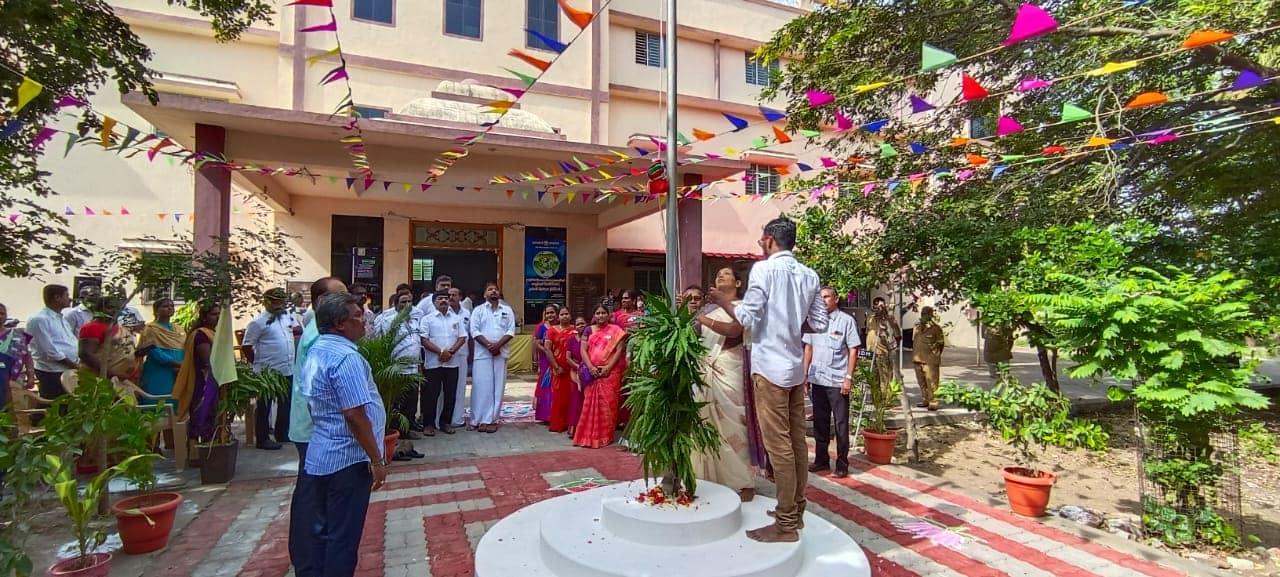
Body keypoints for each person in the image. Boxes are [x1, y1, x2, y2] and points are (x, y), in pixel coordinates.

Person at [707, 217, 826, 543]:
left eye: (762, 239)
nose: (760, 243)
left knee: (780, 448)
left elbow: (746, 317)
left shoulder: (763, 270)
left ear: (770, 239)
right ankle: (795, 511)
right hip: (794, 369)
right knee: (797, 443)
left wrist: (722, 302)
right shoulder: (809, 274)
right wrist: (788, 323)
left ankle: (786, 524)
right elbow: (819, 323)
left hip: (770, 369)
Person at [289, 293, 386, 577]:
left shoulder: (317, 350)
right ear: (340, 323)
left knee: (323, 531)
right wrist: (377, 460)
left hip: (322, 453)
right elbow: (354, 414)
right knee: (343, 537)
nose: (364, 321)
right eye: (357, 316)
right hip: (347, 460)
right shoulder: (346, 358)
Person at [692, 269, 768, 501]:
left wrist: (701, 318)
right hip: (707, 371)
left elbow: (735, 330)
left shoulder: (743, 307)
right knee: (709, 426)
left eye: (726, 274)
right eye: (717, 274)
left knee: (735, 427)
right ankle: (711, 477)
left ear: (738, 283)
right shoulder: (709, 310)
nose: (720, 276)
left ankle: (742, 481)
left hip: (731, 371)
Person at [802, 287, 861, 479]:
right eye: (820, 298)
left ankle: (842, 464)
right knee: (820, 422)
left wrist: (848, 378)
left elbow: (853, 350)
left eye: (827, 297)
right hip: (818, 379)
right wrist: (804, 375)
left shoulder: (846, 321)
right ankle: (821, 460)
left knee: (841, 423)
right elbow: (808, 349)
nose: (823, 301)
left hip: (837, 381)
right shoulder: (813, 321)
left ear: (835, 299)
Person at [290, 276, 348, 464]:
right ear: (322, 300)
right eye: (341, 296)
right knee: (313, 479)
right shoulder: (320, 334)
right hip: (316, 429)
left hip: (318, 427)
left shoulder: (322, 328)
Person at [243, 288, 302, 450]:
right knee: (264, 406)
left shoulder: (287, 316)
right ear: (267, 302)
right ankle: (262, 439)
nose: (279, 305)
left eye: (282, 302)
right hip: (267, 372)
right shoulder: (258, 322)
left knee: (286, 403)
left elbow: (297, 330)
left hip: (287, 368)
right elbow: (247, 346)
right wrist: (257, 363)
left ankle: (282, 433)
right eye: (276, 302)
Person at [573, 305, 628, 448]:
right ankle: (586, 436)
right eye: (597, 313)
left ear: (609, 315)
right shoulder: (588, 330)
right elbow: (583, 350)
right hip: (592, 373)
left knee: (608, 405)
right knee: (588, 404)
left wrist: (608, 367)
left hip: (610, 373)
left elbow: (619, 351)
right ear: (594, 315)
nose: (600, 315)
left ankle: (605, 436)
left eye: (603, 313)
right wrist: (591, 367)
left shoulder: (616, 331)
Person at [469, 282, 515, 433]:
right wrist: (489, 346)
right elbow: (474, 331)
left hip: (500, 354)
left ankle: (492, 419)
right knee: (481, 387)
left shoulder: (507, 310)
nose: (493, 291)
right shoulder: (478, 310)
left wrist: (497, 346)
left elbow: (510, 331)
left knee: (497, 387)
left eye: (496, 289)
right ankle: (478, 419)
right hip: (482, 354)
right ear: (484, 294)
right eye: (490, 289)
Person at [173, 302, 221, 444]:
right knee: (201, 414)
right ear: (204, 317)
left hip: (214, 379)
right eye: (214, 314)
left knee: (212, 415)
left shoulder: (214, 332)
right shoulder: (201, 334)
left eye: (219, 314)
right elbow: (208, 360)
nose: (217, 317)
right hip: (203, 381)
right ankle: (196, 448)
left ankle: (208, 446)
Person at [419, 291, 466, 436]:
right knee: (431, 395)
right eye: (440, 298)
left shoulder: (456, 319)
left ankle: (445, 422)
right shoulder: (427, 319)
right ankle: (428, 424)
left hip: (452, 362)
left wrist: (450, 352)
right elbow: (424, 340)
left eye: (446, 298)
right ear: (434, 302)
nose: (444, 300)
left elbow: (462, 337)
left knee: (450, 394)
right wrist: (440, 352)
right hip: (433, 363)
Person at [27, 284, 79, 399]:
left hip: (68, 369)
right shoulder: (39, 319)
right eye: (66, 295)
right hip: (52, 371)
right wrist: (74, 365)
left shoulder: (61, 318)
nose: (70, 299)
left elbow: (69, 341)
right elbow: (50, 351)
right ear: (57, 297)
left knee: (67, 403)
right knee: (52, 402)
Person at [135, 298, 185, 408]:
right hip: (159, 370)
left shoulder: (178, 329)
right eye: (165, 306)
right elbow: (153, 351)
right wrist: (176, 363)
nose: (170, 308)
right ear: (156, 311)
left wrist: (184, 363)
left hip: (178, 370)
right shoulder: (150, 329)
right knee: (158, 400)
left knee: (175, 398)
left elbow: (185, 347)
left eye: (172, 306)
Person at [865, 297, 901, 399]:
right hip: (871, 352)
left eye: (881, 305)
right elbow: (868, 332)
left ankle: (886, 399)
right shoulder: (870, 318)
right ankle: (876, 398)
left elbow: (897, 334)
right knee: (873, 377)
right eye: (876, 305)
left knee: (885, 378)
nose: (878, 307)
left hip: (883, 352)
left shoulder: (889, 318)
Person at [547, 307, 576, 433]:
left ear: (570, 316)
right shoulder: (552, 331)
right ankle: (558, 424)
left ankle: (571, 424)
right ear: (558, 317)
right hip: (558, 369)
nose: (564, 316)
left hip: (573, 369)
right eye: (562, 314)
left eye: (567, 314)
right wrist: (556, 366)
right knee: (558, 397)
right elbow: (547, 349)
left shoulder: (575, 330)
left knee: (572, 396)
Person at [446, 287, 471, 428]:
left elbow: (469, 335)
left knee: (460, 387)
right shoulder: (443, 311)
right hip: (446, 355)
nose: (451, 297)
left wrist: (471, 354)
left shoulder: (466, 313)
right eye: (449, 295)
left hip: (462, 354)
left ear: (460, 297)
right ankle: (441, 419)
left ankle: (457, 419)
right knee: (445, 389)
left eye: (454, 295)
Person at [912, 306, 945, 411]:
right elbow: (914, 341)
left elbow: (941, 344)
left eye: (926, 313)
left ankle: (933, 402)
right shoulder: (917, 327)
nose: (924, 315)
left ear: (931, 315)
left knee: (932, 383)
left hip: (930, 361)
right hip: (917, 359)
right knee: (922, 382)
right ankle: (925, 399)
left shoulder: (936, 329)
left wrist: (935, 355)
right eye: (923, 313)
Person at [0, 302, 34, 401]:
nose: (0, 316)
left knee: (13, 407)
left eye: (2, 313)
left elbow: (27, 356)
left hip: (14, 380)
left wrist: (30, 376)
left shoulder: (18, 334)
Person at [532, 304, 558, 424]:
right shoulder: (541, 327)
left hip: (558, 359)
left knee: (557, 385)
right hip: (545, 360)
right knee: (545, 385)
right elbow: (537, 343)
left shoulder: (560, 326)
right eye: (548, 313)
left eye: (552, 312)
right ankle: (545, 415)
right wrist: (548, 352)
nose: (550, 315)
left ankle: (556, 413)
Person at [566, 315, 589, 436]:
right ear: (575, 327)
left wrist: (587, 367)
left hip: (588, 372)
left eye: (583, 323)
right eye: (578, 324)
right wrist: (578, 367)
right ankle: (573, 427)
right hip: (575, 372)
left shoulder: (591, 338)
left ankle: (586, 429)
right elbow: (568, 358)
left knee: (587, 400)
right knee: (576, 399)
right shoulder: (571, 340)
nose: (581, 326)